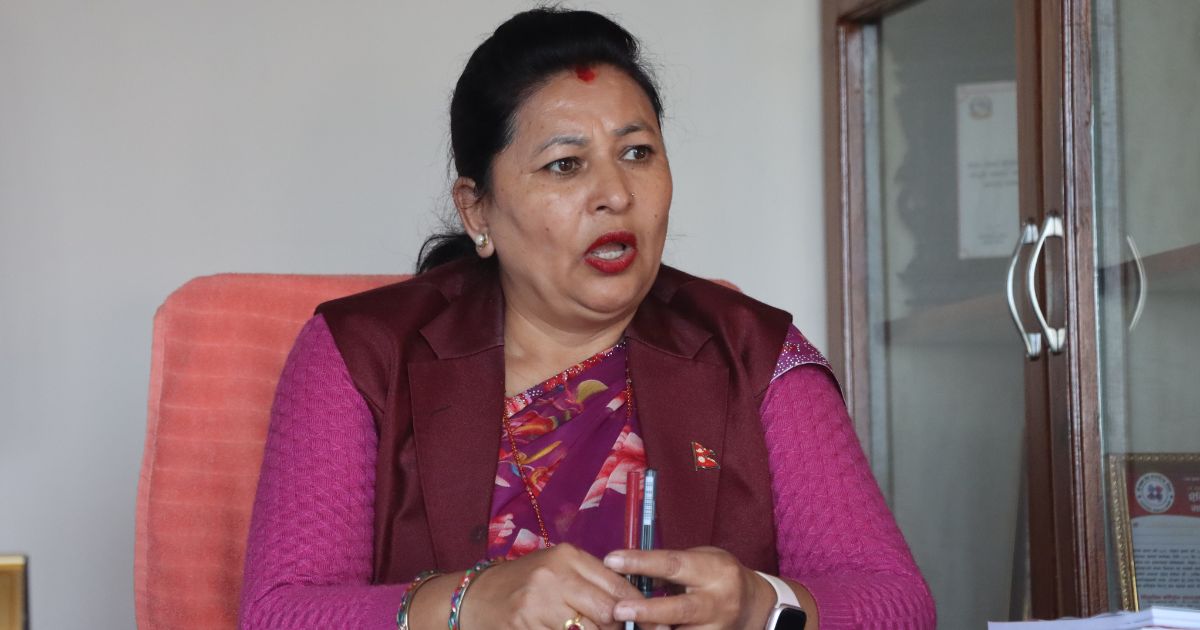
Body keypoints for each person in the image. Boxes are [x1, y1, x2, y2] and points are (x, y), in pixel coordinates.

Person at [239, 8, 935, 630]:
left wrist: (764, 605)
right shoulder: (363, 355)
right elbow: (280, 613)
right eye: (565, 165)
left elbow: (900, 604)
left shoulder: (752, 352)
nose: (615, 194)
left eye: (637, 153)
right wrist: (467, 606)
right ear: (477, 209)